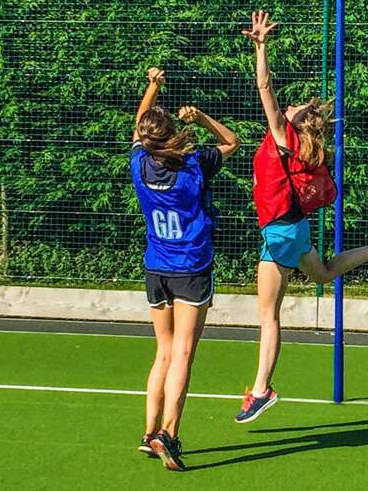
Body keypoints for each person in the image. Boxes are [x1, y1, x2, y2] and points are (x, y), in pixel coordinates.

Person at [235, 11, 368, 424]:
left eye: (296, 107)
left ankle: (262, 389)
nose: (293, 104)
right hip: (294, 229)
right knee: (323, 273)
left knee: (268, 316)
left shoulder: (284, 137)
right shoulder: (302, 144)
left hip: (280, 234)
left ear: (296, 122)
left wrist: (261, 46)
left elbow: (264, 86)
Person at [131, 66, 240, 471]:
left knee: (163, 351)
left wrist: (153, 85)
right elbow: (232, 141)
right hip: (191, 268)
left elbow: (138, 129)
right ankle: (168, 435)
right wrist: (202, 118)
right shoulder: (195, 163)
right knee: (183, 353)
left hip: (156, 267)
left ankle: (148, 431)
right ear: (173, 132)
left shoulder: (140, 165)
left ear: (145, 138)